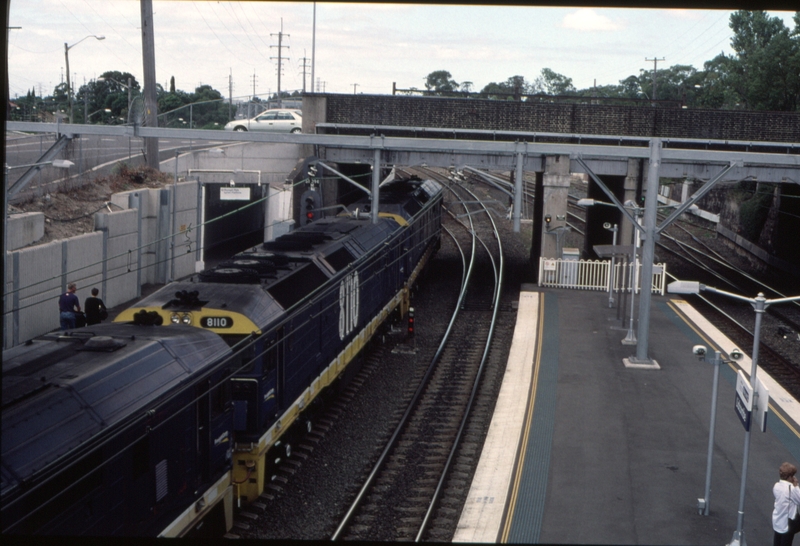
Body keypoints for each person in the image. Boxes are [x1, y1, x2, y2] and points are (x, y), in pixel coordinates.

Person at [773, 462, 800, 546]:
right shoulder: (791, 489)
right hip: (787, 524)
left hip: (777, 521)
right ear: (789, 477)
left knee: (777, 542)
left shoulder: (776, 486)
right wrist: (796, 486)